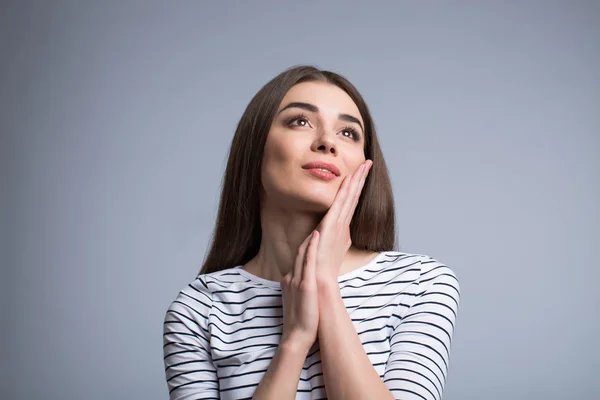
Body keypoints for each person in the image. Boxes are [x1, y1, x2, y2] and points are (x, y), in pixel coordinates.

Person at [163, 65, 460, 400]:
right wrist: (295, 339)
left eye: (348, 133)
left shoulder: (421, 283)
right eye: (300, 121)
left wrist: (323, 284)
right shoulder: (199, 308)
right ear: (255, 147)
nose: (327, 143)